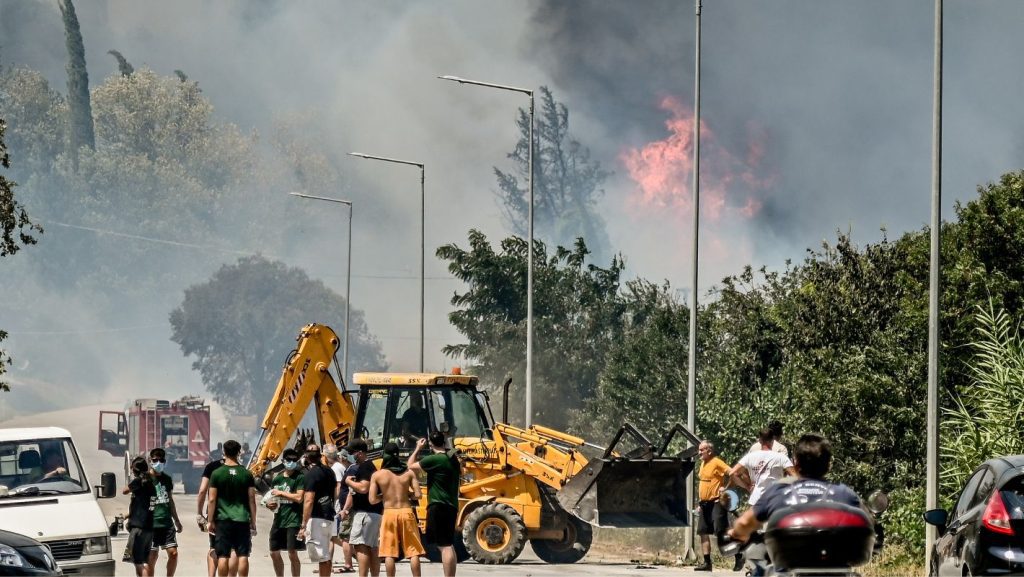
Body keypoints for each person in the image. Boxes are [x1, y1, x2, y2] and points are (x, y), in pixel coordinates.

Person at [727, 434, 861, 554]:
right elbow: (867, 521)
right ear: (828, 466)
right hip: (833, 559)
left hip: (789, 558)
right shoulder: (844, 493)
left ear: (796, 463)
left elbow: (744, 523)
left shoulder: (779, 493)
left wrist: (734, 533)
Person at [408, 431, 460, 577]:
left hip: (438, 505)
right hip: (452, 505)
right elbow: (450, 451)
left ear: (430, 444)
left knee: (444, 546)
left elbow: (410, 465)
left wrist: (418, 448)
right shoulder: (453, 459)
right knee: (448, 544)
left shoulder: (434, 459)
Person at [369, 442, 425, 577]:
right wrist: (408, 494)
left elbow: (372, 500)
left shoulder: (378, 475)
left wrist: (383, 496)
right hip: (406, 511)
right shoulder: (409, 473)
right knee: (413, 551)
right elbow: (418, 495)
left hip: (389, 512)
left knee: (388, 553)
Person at [208, 440, 257, 577]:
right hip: (242, 519)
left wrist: (210, 520)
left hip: (223, 520)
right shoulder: (247, 474)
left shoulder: (217, 473)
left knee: (223, 555)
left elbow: (211, 499)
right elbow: (252, 499)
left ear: (224, 452)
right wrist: (253, 520)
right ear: (239, 452)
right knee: (243, 554)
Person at [693, 441, 742, 572]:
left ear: (709, 451)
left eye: (701, 450)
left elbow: (734, 473)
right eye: (699, 450)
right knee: (703, 532)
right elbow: (705, 484)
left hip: (716, 502)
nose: (699, 452)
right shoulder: (703, 463)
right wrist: (700, 503)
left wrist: (726, 488)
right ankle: (707, 563)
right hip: (704, 504)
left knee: (721, 532)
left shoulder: (717, 462)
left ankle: (739, 555)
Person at [343, 439, 383, 577]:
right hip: (374, 513)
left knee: (361, 546)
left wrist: (348, 482)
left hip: (365, 514)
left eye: (351, 453)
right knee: (373, 547)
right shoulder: (369, 466)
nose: (349, 455)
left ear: (359, 453)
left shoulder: (365, 466)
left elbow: (364, 488)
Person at [298, 445, 338, 577]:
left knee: (322, 557)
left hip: (317, 518)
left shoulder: (312, 474)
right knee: (325, 555)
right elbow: (335, 494)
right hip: (328, 516)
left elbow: (309, 500)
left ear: (307, 456)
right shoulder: (330, 472)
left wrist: (303, 524)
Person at [729, 429, 796, 506]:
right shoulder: (781, 457)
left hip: (756, 501)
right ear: (772, 441)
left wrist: (747, 487)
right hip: (775, 500)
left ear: (760, 441)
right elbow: (795, 476)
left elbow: (732, 473)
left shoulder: (749, 457)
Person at [267, 448, 305, 577]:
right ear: (283, 460)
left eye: (294, 460)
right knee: (274, 552)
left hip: (293, 519)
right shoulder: (277, 479)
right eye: (289, 460)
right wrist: (269, 504)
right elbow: (272, 498)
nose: (291, 462)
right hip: (279, 519)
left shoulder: (300, 477)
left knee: (292, 553)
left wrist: (281, 493)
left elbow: (299, 497)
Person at [198, 453, 236, 577]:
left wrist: (199, 513)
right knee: (233, 549)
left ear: (223, 452)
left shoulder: (211, 467)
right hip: (235, 513)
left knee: (214, 547)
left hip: (215, 513)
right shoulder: (240, 469)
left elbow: (202, 490)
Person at [147, 448, 183, 576]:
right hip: (151, 524)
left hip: (167, 523)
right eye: (155, 460)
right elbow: (136, 502)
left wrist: (177, 520)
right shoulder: (145, 479)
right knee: (152, 556)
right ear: (150, 460)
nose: (158, 463)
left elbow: (170, 500)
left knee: (173, 553)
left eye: (161, 460)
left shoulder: (167, 479)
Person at [122, 456, 156, 577]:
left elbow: (124, 491)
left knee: (138, 563)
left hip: (138, 528)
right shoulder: (151, 483)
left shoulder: (138, 482)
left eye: (132, 468)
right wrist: (126, 516)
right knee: (143, 561)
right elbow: (143, 505)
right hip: (149, 528)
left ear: (135, 469)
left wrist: (133, 480)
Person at [334, 449, 357, 574]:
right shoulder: (349, 469)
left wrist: (345, 509)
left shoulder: (352, 470)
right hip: (349, 508)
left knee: (344, 537)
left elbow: (351, 492)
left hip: (349, 509)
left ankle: (348, 564)